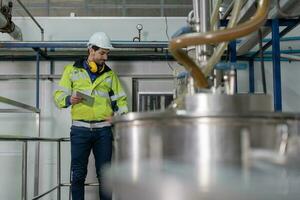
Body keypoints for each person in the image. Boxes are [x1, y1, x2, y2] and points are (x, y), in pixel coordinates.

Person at [53, 32, 128, 200]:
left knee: (106, 176)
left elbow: (121, 101)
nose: (106, 57)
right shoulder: (72, 71)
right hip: (80, 130)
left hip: (103, 132)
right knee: (78, 175)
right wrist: (68, 99)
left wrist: (118, 117)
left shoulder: (110, 76)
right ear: (91, 51)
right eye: (102, 53)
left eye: (107, 53)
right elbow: (58, 96)